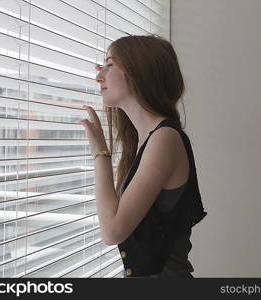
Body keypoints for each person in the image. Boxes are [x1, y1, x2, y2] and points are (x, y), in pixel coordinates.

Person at [77, 34, 207, 278]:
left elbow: (113, 230)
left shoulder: (164, 139)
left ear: (139, 72)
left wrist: (100, 154)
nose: (98, 76)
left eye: (110, 64)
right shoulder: (145, 141)